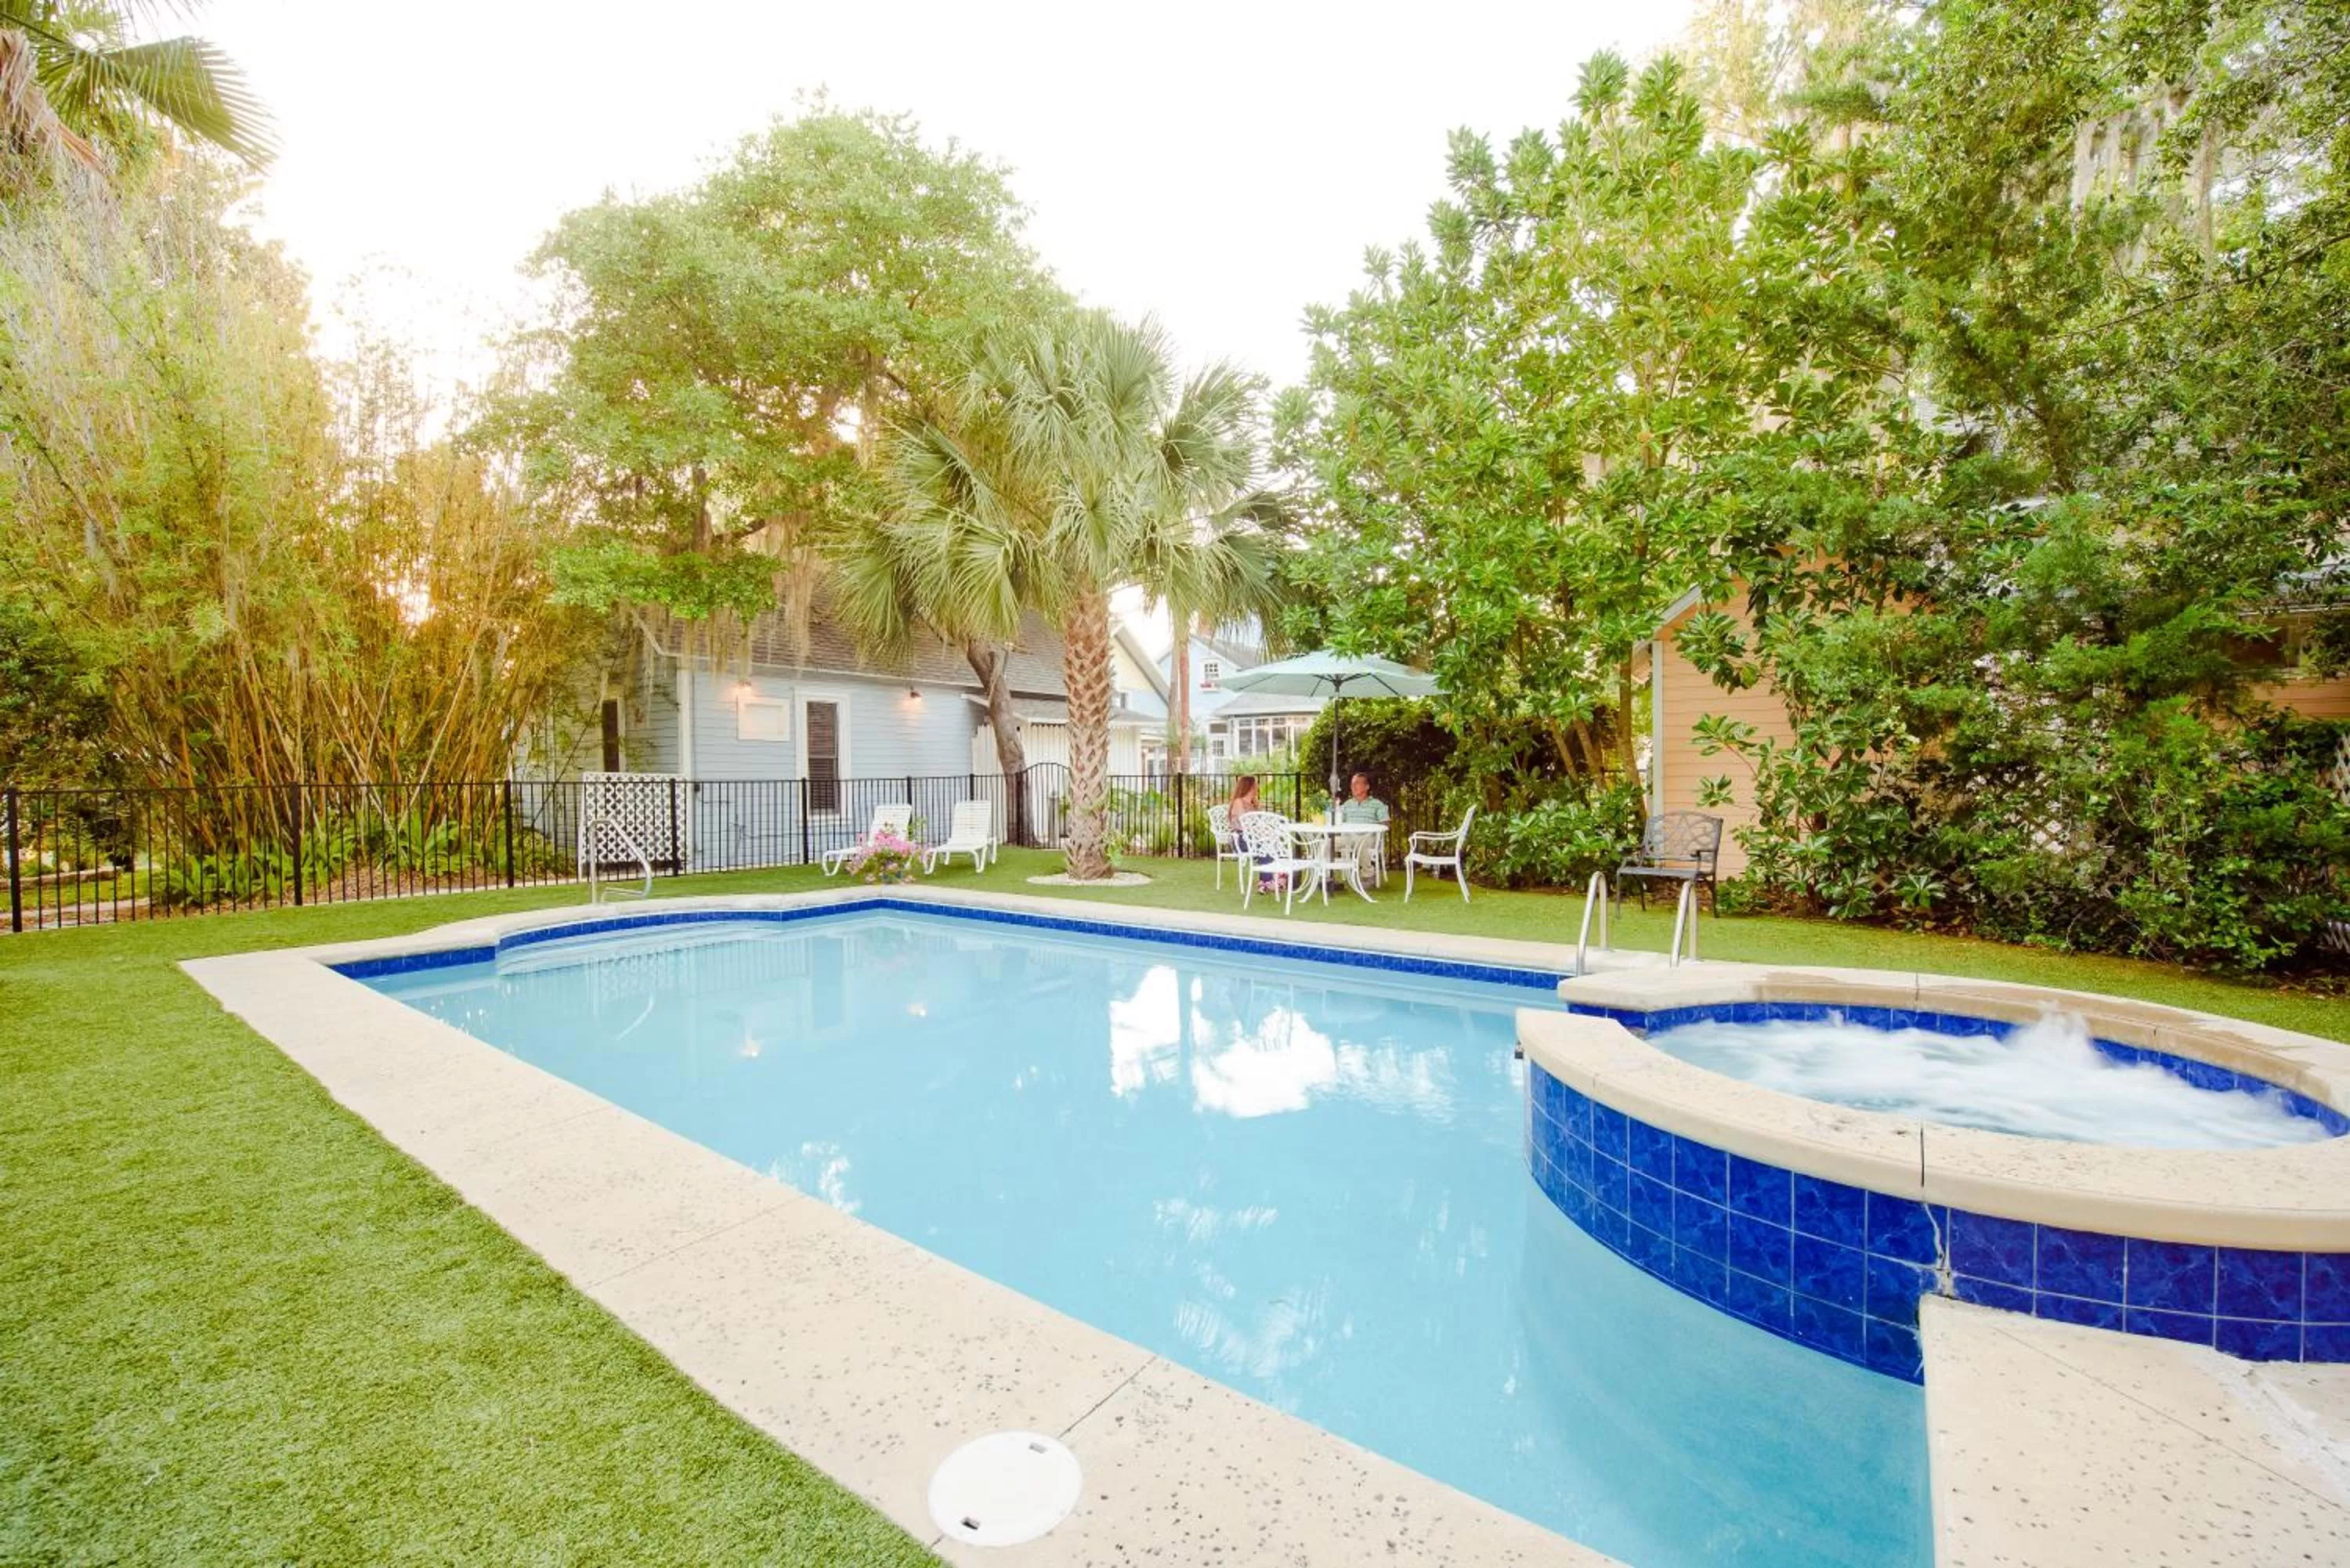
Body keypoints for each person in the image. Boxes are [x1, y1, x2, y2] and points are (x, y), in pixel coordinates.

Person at [1333, 771, 1390, 886]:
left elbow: (1386, 824)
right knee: (1327, 844)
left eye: (1357, 784)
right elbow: (1337, 823)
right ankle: (1326, 877)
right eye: (1352, 784)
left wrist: (1373, 828)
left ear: (1367, 787)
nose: (1353, 786)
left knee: (1361, 841)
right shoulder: (1347, 805)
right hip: (1348, 837)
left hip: (1368, 837)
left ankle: (1368, 876)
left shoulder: (1377, 804)